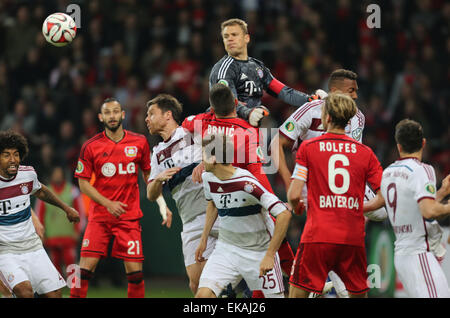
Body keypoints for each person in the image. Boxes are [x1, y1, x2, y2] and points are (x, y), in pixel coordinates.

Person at [273, 69, 386, 297]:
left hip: (329, 190)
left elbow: (347, 157)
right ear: (334, 92)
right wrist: (289, 185)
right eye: (351, 91)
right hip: (312, 184)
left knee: (382, 213)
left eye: (356, 91)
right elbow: (276, 144)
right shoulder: (309, 111)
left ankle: (313, 286)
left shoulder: (358, 117)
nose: (355, 96)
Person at [182, 83, 295, 297]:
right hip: (228, 240)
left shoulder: (203, 123)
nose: (200, 158)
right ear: (235, 103)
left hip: (253, 235)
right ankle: (292, 272)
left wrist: (208, 115)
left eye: (203, 154)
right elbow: (215, 201)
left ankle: (291, 277)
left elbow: (187, 122)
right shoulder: (247, 132)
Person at [70, 98, 169, 298]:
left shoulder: (139, 142)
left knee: (135, 275)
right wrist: (108, 203)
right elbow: (83, 183)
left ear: (123, 115)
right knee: (82, 272)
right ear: (101, 117)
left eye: (116, 111)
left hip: (128, 218)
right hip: (99, 218)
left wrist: (162, 204)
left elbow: (150, 178)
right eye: (107, 112)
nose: (112, 116)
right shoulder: (90, 146)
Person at [195, 134, 291, 298]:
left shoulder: (246, 183)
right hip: (226, 250)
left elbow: (284, 214)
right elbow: (212, 203)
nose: (201, 160)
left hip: (258, 252)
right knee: (202, 296)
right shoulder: (208, 178)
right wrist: (204, 239)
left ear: (213, 159)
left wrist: (269, 255)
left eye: (203, 154)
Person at [364, 119, 450, 298]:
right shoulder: (423, 170)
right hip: (419, 254)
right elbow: (428, 211)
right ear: (423, 143)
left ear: (399, 146)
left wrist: (441, 192)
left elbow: (411, 205)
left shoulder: (388, 172)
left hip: (402, 255)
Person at [145, 94, 219, 295]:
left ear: (168, 115)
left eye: (151, 113)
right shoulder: (157, 153)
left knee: (222, 277)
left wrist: (205, 162)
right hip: (190, 220)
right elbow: (151, 194)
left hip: (217, 210)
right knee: (196, 284)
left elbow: (221, 148)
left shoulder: (191, 130)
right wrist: (159, 178)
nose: (146, 119)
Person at [0, 130, 79, 298]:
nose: (13, 159)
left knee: (55, 294)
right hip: (6, 251)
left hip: (33, 246)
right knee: (25, 292)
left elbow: (41, 191)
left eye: (16, 154)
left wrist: (66, 208)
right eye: (6, 155)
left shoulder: (27, 174)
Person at [210, 18, 320, 127]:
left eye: (234, 35)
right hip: (226, 131)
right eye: (226, 36)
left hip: (250, 131)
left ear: (246, 38)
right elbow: (226, 102)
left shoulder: (257, 67)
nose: (230, 39)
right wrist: (248, 113)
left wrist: (309, 99)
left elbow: (283, 92)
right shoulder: (223, 68)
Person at [34, 165, 87, 277]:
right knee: (54, 261)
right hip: (52, 234)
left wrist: (78, 230)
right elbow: (39, 214)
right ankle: (57, 286)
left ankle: (74, 285)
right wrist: (41, 232)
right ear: (51, 176)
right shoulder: (44, 192)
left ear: (63, 175)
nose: (57, 176)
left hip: (68, 234)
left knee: (70, 260)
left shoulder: (73, 191)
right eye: (55, 173)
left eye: (59, 173)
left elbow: (80, 212)